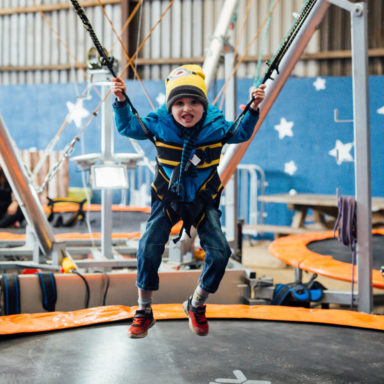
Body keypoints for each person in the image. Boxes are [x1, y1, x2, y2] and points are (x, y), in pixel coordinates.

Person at [112, 65, 265, 338]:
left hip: (203, 200)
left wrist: (252, 109)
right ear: (170, 107)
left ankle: (196, 304)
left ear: (204, 105)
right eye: (179, 103)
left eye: (194, 102)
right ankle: (144, 310)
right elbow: (127, 126)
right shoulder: (159, 124)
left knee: (220, 253)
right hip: (168, 199)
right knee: (148, 246)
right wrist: (122, 102)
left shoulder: (216, 127)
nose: (187, 109)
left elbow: (241, 132)